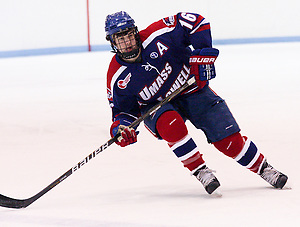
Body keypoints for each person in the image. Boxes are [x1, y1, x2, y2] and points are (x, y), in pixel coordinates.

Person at [104, 11, 288, 194]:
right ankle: (200, 171)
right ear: (112, 43)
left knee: (228, 140)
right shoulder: (117, 77)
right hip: (157, 106)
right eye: (119, 39)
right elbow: (124, 112)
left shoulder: (158, 35)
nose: (127, 42)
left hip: (192, 89)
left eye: (128, 35)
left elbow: (196, 22)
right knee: (171, 124)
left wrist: (202, 56)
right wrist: (121, 129)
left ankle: (264, 168)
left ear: (135, 32)